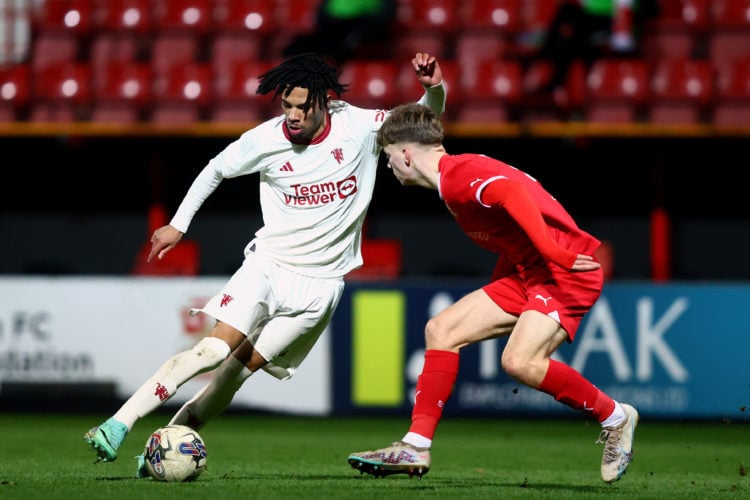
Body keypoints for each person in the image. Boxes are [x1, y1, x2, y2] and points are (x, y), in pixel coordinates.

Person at [83, 52, 446, 476]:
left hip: (322, 287)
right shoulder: (265, 139)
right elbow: (214, 170)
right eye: (286, 105)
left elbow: (421, 125)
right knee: (213, 349)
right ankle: (118, 423)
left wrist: (433, 88)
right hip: (268, 268)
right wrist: (178, 225)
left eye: (301, 107)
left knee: (233, 376)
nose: (292, 115)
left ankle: (157, 455)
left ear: (325, 103)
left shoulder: (358, 126)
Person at [346, 103, 638, 484]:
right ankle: (415, 446)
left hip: (563, 272)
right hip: (530, 273)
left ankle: (617, 417)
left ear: (405, 154)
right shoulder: (455, 177)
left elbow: (511, 193)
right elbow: (509, 233)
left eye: (387, 157)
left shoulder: (456, 179)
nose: (388, 166)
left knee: (520, 362)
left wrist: (552, 252)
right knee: (442, 330)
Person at [524, 0, 659, 94]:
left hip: (617, 30)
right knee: (567, 22)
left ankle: (543, 56)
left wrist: (622, 33)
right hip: (592, 28)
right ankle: (547, 56)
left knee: (567, 34)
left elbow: (642, 13)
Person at [283, 0, 397, 65]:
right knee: (298, 47)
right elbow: (323, 14)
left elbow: (386, 15)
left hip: (362, 33)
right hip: (334, 29)